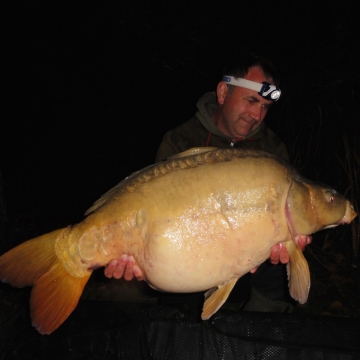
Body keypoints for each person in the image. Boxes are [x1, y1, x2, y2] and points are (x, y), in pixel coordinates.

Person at [104, 53, 311, 312]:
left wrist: (286, 243)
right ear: (223, 93)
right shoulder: (180, 139)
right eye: (251, 101)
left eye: (265, 107)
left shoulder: (272, 150)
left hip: (249, 262)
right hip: (190, 256)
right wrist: (137, 257)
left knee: (280, 266)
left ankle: (257, 338)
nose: (257, 115)